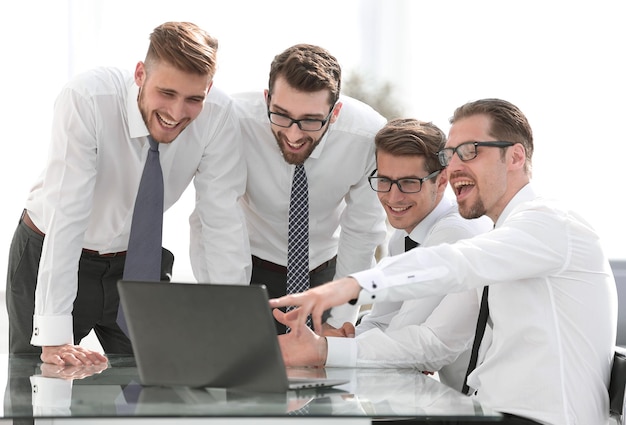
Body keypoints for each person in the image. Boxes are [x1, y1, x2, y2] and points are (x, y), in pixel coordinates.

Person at [270, 98, 617, 424]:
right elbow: (438, 341)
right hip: (489, 412)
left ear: (514, 157)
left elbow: (455, 263)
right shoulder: (502, 244)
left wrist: (353, 286)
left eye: (469, 152)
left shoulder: (549, 223)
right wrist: (326, 349)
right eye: (451, 154)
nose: (453, 167)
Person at [6, 21, 251, 366]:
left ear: (208, 90)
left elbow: (221, 220)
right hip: (51, 252)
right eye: (166, 93)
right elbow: (68, 214)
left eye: (194, 99)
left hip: (137, 265)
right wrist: (54, 335)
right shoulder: (88, 99)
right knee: (37, 389)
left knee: (155, 387)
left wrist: (235, 321)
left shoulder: (220, 116)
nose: (176, 113)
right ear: (140, 74)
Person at [273, 118, 491, 392]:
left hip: (486, 404)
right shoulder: (403, 235)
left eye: (409, 183)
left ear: (442, 179)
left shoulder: (456, 232)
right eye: (384, 181)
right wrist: (338, 341)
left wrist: (327, 348)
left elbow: (409, 335)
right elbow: (382, 320)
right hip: (450, 398)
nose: (393, 197)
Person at [212, 44, 387, 333]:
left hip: (328, 275)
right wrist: (231, 303)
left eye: (310, 120)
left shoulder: (367, 137)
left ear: (335, 112)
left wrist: (341, 321)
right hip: (248, 267)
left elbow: (362, 231)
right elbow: (217, 217)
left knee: (323, 370)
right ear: (267, 98)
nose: (293, 134)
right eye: (280, 114)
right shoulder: (233, 121)